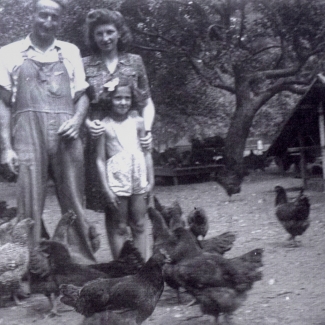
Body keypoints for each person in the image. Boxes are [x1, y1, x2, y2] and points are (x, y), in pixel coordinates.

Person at [0, 0, 98, 264]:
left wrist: (77, 120)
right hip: (27, 135)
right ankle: (29, 269)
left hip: (67, 134)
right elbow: (3, 103)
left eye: (54, 17)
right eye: (43, 15)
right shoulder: (8, 53)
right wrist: (7, 147)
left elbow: (83, 95)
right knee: (28, 203)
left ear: (59, 20)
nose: (48, 22)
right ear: (32, 15)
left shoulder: (70, 51)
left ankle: (82, 264)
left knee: (74, 199)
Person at [83, 8, 155, 212]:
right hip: (101, 141)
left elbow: (147, 102)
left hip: (132, 137)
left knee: (138, 202)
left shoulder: (134, 62)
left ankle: (139, 244)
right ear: (93, 36)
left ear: (119, 33)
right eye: (99, 33)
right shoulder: (85, 65)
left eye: (109, 32)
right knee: (113, 208)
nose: (105, 38)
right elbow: (78, 105)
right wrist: (88, 125)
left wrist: (147, 131)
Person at [96, 78, 154, 260]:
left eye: (127, 98)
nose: (123, 102)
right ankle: (123, 269)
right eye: (118, 98)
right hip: (117, 178)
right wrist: (106, 189)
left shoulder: (138, 122)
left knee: (139, 224)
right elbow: (99, 159)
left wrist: (151, 180)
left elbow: (146, 153)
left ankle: (142, 268)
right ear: (109, 100)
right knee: (120, 226)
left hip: (138, 176)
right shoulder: (103, 125)